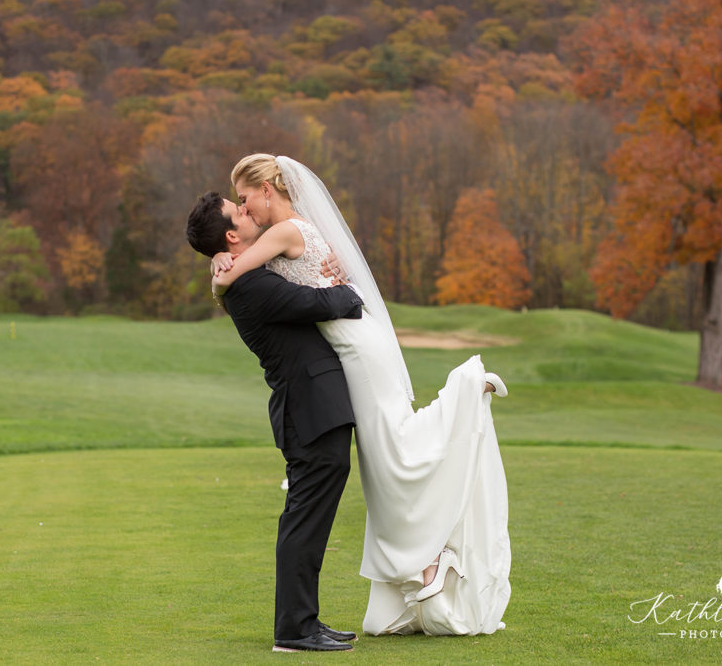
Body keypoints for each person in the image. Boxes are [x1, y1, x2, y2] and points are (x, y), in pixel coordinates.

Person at [209, 154, 511, 636]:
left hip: (353, 343)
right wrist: (219, 254)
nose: (245, 210)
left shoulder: (282, 231)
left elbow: (232, 275)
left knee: (393, 447)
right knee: (387, 450)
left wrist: (219, 267)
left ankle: (466, 393)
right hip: (354, 341)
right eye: (238, 207)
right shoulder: (291, 230)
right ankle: (425, 558)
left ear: (267, 190)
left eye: (245, 199)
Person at [186, 191, 363, 653]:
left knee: (307, 517)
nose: (246, 210)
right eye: (238, 210)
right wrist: (352, 289)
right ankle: (295, 630)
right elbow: (321, 304)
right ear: (231, 235)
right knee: (304, 519)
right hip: (308, 409)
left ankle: (304, 620)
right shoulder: (250, 286)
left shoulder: (248, 274)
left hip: (312, 407)